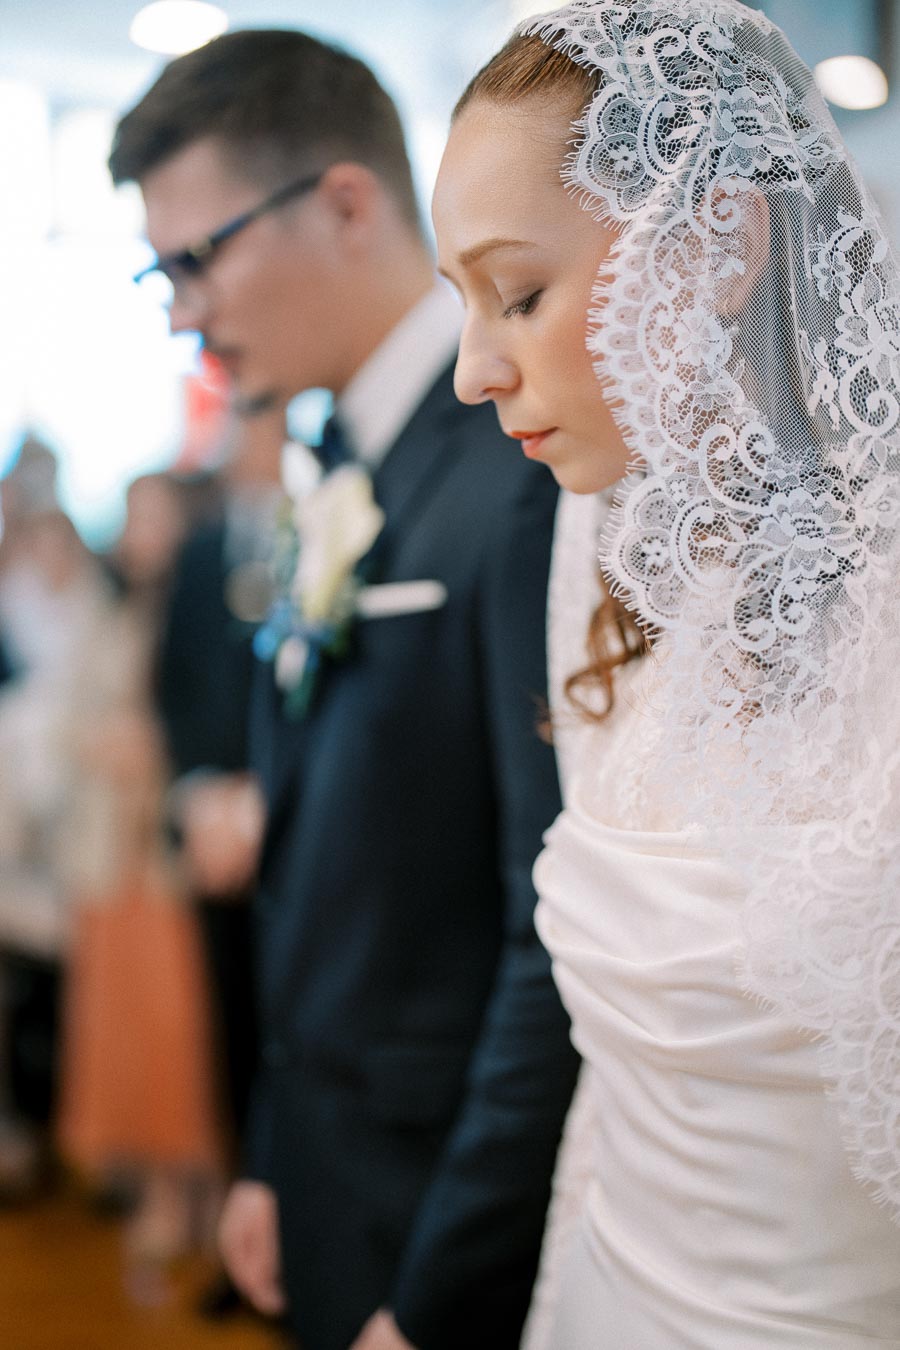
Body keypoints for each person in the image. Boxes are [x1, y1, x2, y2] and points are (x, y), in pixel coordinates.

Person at [433, 1, 900, 1345]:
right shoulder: (617, 574)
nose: (477, 367)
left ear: (722, 243)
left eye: (517, 291)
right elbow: (612, 1094)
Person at [109, 28, 579, 1350]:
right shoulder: (333, 452)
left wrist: (439, 1299)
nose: (184, 308)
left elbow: (549, 930)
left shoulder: (523, 462)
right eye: (164, 271)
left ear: (347, 203)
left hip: (446, 1211)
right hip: (327, 1163)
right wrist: (269, 1145)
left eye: (198, 257)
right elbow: (313, 860)